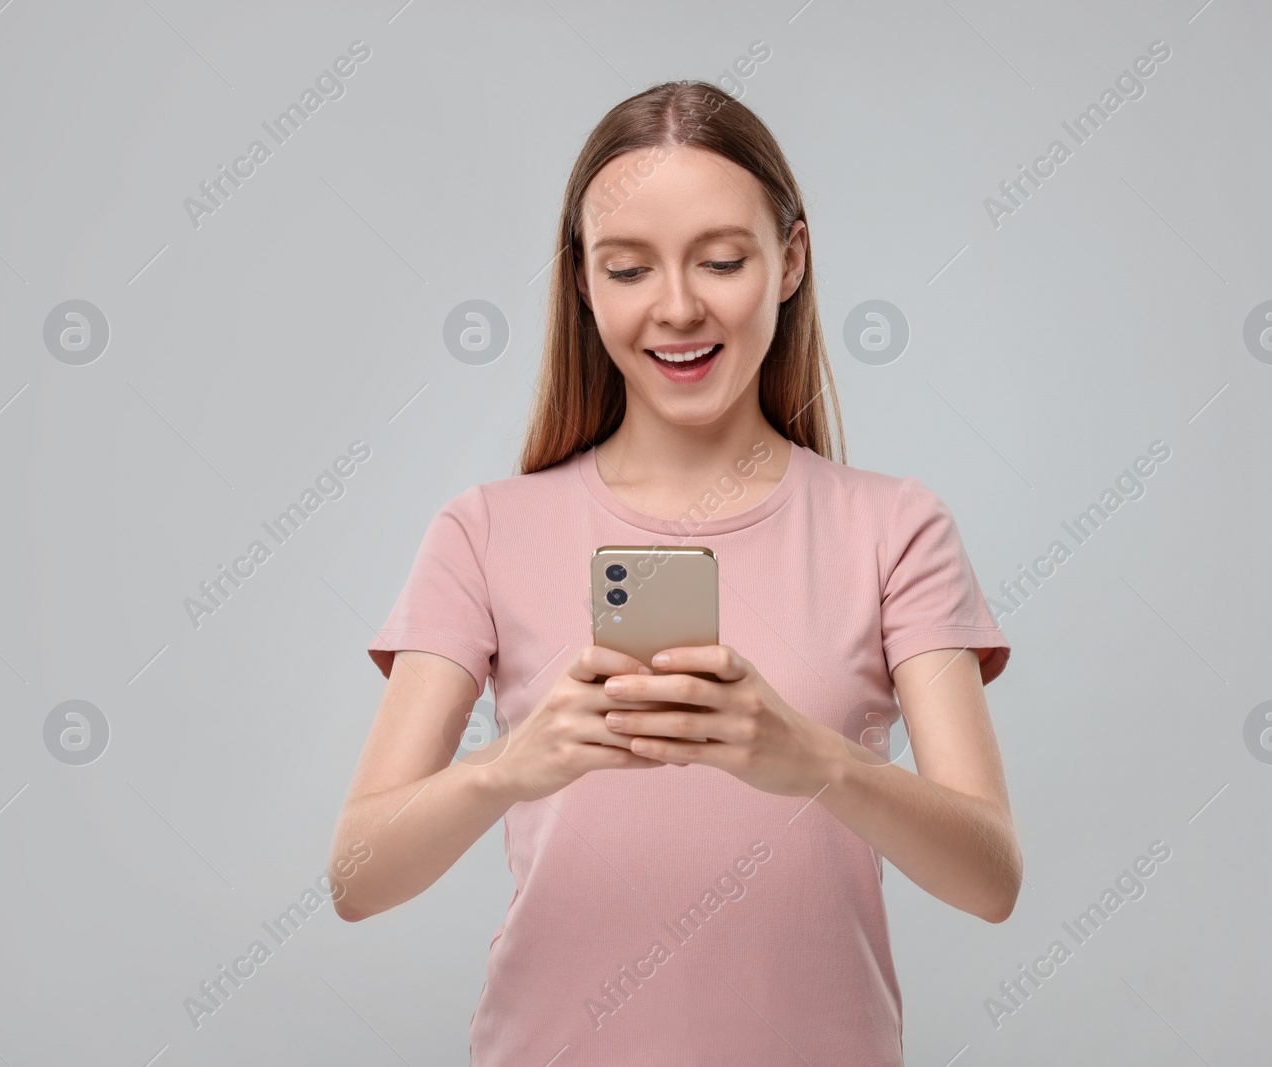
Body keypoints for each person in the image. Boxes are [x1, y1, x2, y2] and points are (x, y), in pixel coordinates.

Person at [329, 79, 1020, 1066]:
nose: (679, 307)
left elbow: (989, 875)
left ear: (790, 260)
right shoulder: (482, 530)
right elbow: (357, 875)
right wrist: (511, 764)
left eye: (722, 260)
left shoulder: (892, 526)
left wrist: (815, 758)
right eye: (627, 268)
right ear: (582, 282)